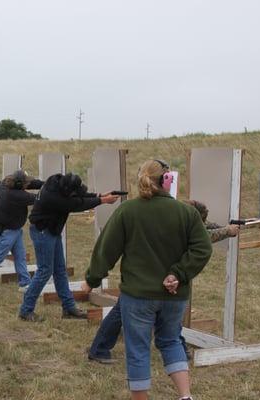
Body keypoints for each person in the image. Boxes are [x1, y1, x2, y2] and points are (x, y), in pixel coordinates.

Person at [82, 159, 212, 400]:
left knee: (138, 349)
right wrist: (178, 274)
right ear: (166, 181)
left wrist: (92, 278)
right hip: (175, 295)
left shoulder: (127, 211)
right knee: (171, 341)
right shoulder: (187, 212)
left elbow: (106, 250)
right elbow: (202, 249)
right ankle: (185, 396)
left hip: (138, 297)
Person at [87, 200, 240, 364]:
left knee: (145, 315)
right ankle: (100, 349)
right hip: (155, 276)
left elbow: (206, 226)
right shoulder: (182, 218)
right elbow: (205, 236)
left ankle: (99, 348)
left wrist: (225, 227)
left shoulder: (170, 213)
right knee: (165, 319)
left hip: (142, 276)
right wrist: (228, 231)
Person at [18, 173, 119, 322]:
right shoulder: (53, 197)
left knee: (59, 270)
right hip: (43, 231)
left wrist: (99, 195)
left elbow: (79, 195)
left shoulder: (58, 183)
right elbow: (77, 204)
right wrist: (102, 200)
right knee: (45, 271)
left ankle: (69, 308)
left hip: (51, 230)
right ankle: (26, 310)